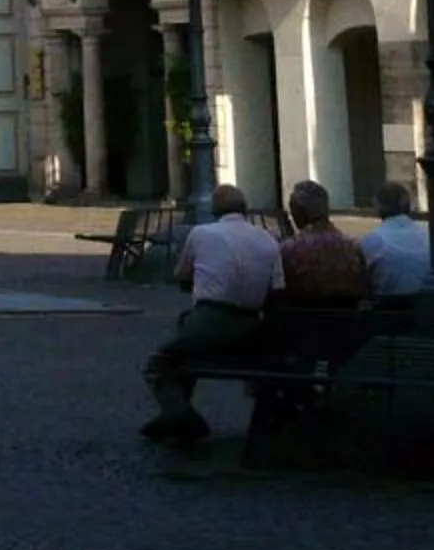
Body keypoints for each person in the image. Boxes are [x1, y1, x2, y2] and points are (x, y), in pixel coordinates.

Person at [140, 183, 281, 448]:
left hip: (210, 320)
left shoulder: (202, 233)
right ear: (244, 208)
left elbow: (181, 275)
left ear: (214, 209)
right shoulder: (267, 238)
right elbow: (277, 287)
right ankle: (171, 418)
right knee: (185, 347)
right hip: (252, 326)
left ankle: (182, 416)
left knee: (161, 363)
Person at [275, 178, 370, 302]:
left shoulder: (289, 250)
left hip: (301, 318)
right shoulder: (353, 248)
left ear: (299, 212)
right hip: (346, 318)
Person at [358, 178, 429, 297]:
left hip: (386, 308)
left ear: (377, 206)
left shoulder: (374, 239)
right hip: (425, 307)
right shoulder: (426, 235)